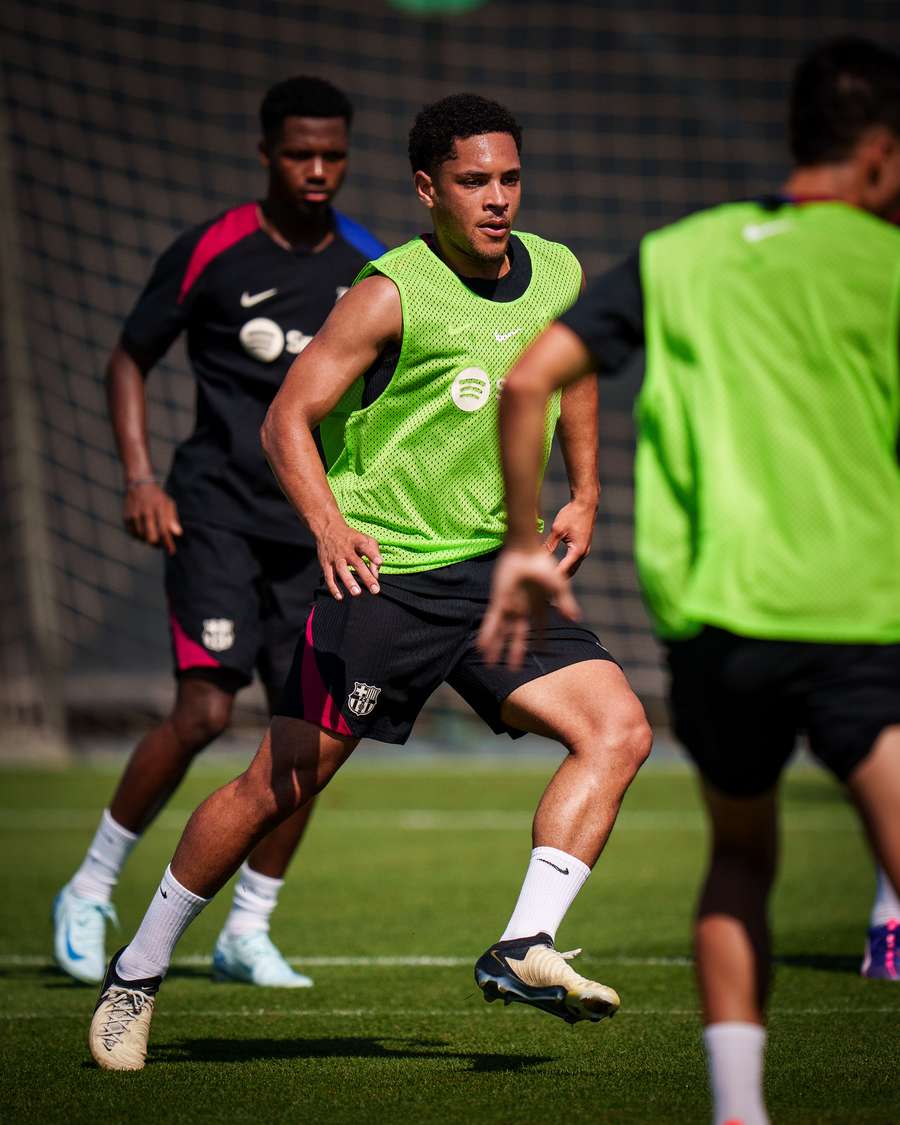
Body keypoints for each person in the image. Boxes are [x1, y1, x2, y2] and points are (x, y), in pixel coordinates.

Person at [86, 92, 652, 1071]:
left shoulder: (556, 270)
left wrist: (587, 493)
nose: (497, 198)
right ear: (429, 189)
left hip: (493, 577)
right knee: (279, 784)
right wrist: (328, 522)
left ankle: (523, 945)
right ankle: (136, 971)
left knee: (621, 730)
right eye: (475, 181)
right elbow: (285, 420)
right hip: (384, 581)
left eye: (509, 178)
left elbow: (577, 374)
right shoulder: (389, 290)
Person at [478, 37, 900, 1125]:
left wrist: (524, 543)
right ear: (885, 159)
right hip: (862, 615)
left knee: (742, 860)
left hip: (720, 625)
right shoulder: (885, 264)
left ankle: (738, 1112)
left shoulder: (681, 256)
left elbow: (530, 379)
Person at [53, 75, 385, 990]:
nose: (318, 170)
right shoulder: (215, 249)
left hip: (315, 526)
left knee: (306, 732)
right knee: (203, 709)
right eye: (299, 154)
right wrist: (137, 477)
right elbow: (130, 357)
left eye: (334, 155)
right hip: (214, 512)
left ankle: (249, 927)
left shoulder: (371, 264)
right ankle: (88, 887)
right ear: (266, 153)